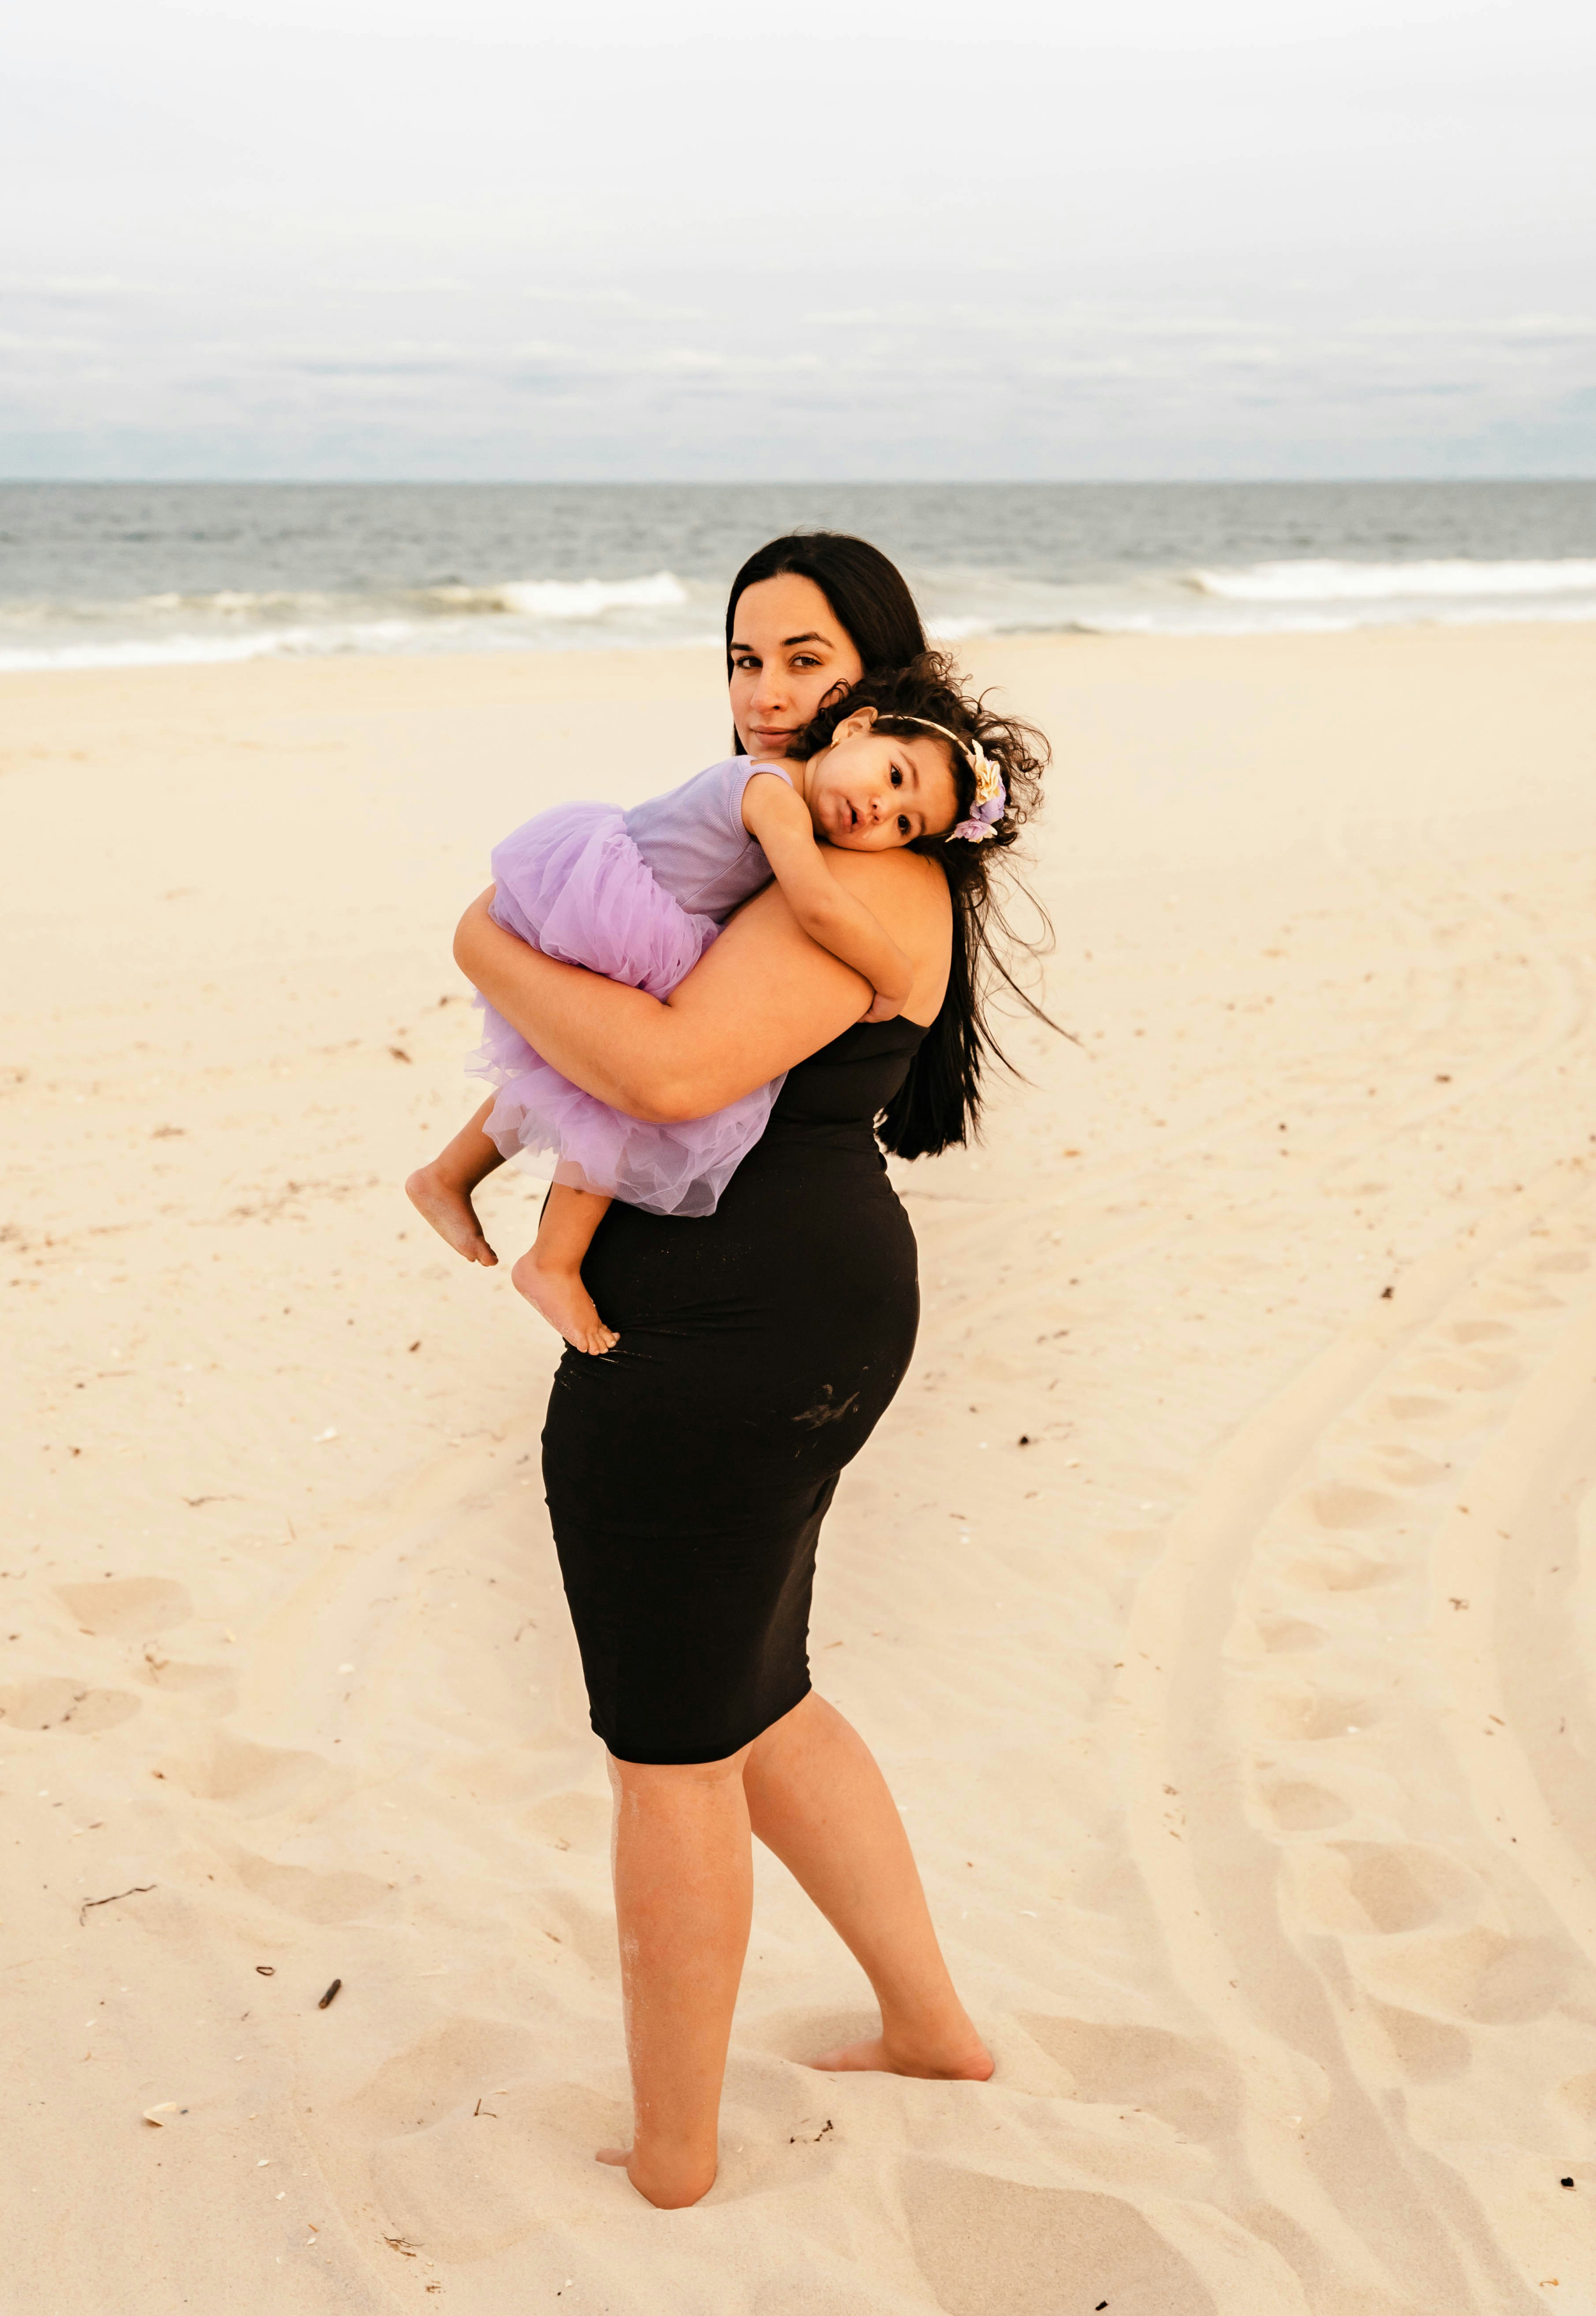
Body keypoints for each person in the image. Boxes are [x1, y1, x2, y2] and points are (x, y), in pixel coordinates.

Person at [449, 542, 1050, 2211]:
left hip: (733, 1336)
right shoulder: (817, 858)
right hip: (792, 1313)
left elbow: (666, 1063)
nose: (768, 693)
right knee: (758, 1694)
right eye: (741, 661)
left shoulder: (840, 872)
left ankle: (674, 2162)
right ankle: (932, 2028)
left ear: (881, 682)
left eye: (805, 660)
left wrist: (484, 941)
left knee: (673, 1748)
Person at [407, 691, 990, 1353]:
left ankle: (448, 1176)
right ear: (855, 728)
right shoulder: (772, 793)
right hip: (620, 913)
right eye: (893, 776)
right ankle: (551, 1262)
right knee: (615, 1093)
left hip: (625, 908)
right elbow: (819, 906)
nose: (884, 811)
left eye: (907, 826)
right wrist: (892, 975)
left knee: (571, 1073)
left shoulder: (785, 795)